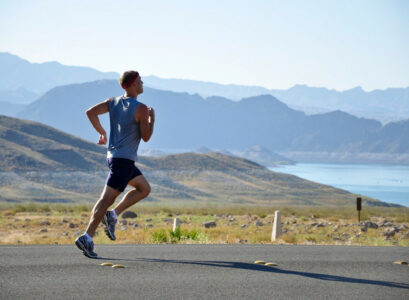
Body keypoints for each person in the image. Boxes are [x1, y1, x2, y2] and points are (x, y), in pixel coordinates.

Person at [75, 70, 155, 258]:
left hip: (115, 157)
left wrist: (102, 132)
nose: (142, 83)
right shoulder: (141, 108)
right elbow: (146, 137)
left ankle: (112, 215)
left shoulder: (113, 102)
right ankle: (87, 236)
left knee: (144, 189)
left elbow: (91, 112)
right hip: (124, 161)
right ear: (134, 84)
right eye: (141, 81)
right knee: (105, 199)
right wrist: (152, 119)